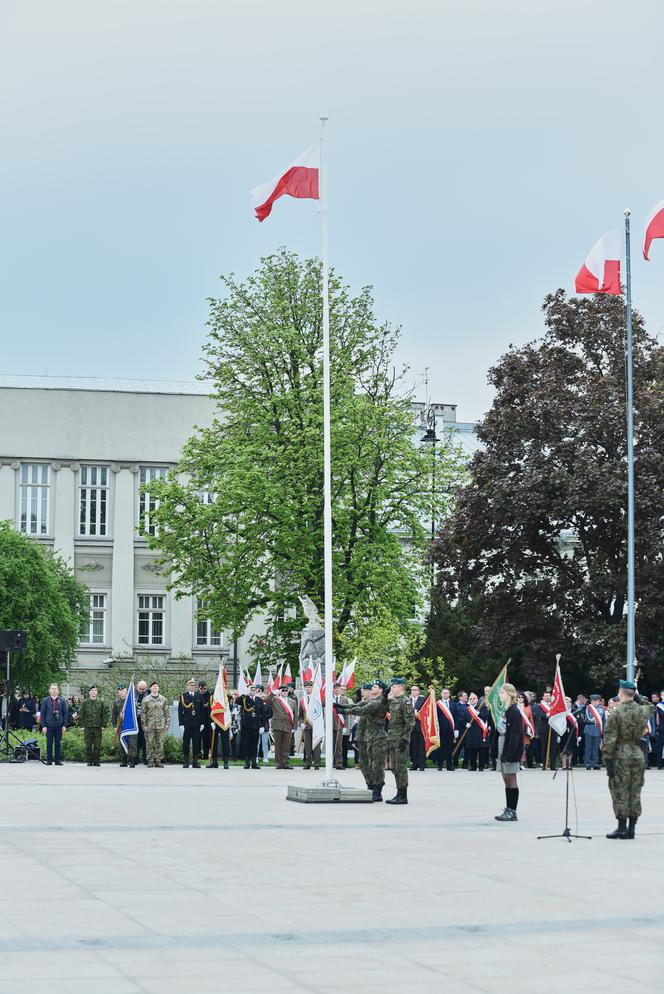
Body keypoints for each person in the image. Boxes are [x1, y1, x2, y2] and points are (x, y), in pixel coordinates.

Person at [603, 681, 655, 839]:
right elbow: (651, 707)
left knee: (620, 790)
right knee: (635, 790)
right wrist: (638, 698)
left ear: (621, 693)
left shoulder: (617, 713)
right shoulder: (642, 710)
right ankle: (632, 828)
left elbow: (610, 738)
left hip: (621, 754)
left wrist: (608, 760)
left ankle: (621, 827)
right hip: (638, 753)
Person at [337, 681, 389, 801]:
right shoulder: (369, 701)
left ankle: (377, 790)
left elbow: (362, 710)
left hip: (377, 738)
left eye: (374, 687)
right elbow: (357, 706)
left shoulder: (379, 702)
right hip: (366, 737)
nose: (370, 689)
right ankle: (370, 786)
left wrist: (343, 711)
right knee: (365, 765)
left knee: (376, 766)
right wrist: (341, 707)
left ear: (380, 690)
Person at [492, 682, 522, 822]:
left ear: (510, 694)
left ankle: (512, 810)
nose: (500, 695)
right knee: (506, 779)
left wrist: (510, 755)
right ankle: (508, 808)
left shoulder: (514, 711)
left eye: (502, 693)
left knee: (511, 779)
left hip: (509, 746)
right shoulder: (507, 709)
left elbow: (516, 735)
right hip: (503, 743)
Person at [385, 678, 415, 804]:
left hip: (400, 739)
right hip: (392, 738)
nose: (392, 688)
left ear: (400, 687)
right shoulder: (394, 700)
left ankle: (403, 795)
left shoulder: (406, 702)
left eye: (394, 686)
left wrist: (405, 739)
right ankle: (398, 793)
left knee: (400, 767)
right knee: (394, 767)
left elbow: (410, 722)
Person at [267, 684, 298, 770]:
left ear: (288, 691)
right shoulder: (275, 700)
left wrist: (294, 727)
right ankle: (278, 763)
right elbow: (266, 700)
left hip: (288, 726)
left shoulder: (293, 701)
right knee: (278, 745)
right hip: (277, 725)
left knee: (286, 746)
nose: (284, 692)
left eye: (286, 691)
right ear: (280, 692)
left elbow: (295, 715)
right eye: (283, 691)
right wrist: (273, 693)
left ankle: (286, 763)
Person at [141, 680, 170, 768]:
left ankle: (158, 760)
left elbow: (167, 712)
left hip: (161, 725)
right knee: (149, 743)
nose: (155, 687)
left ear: (158, 688)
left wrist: (167, 723)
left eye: (156, 686)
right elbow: (143, 713)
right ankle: (150, 760)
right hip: (150, 725)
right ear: (150, 688)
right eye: (153, 686)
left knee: (160, 743)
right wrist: (144, 725)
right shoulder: (146, 700)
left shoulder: (163, 699)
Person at [78, 685, 108, 766]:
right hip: (88, 727)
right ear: (89, 692)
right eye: (92, 690)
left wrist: (104, 725)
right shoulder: (85, 702)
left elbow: (104, 714)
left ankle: (96, 761)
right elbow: (81, 715)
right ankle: (89, 760)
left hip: (98, 727)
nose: (94, 692)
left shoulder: (101, 702)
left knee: (97, 745)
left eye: (95, 690)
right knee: (88, 745)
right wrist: (81, 726)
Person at [40, 683, 69, 766]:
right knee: (49, 743)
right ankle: (49, 760)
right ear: (49, 690)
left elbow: (65, 713)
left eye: (55, 689)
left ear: (58, 690)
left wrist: (64, 725)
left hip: (59, 726)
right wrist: (43, 726)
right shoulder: (45, 700)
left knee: (58, 743)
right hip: (48, 726)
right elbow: (42, 714)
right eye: (52, 689)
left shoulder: (62, 700)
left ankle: (57, 760)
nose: (54, 690)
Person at [237, 684, 264, 769]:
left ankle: (254, 763)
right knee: (246, 744)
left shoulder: (259, 700)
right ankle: (247, 762)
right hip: (246, 725)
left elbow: (262, 714)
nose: (253, 692)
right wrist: (244, 694)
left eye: (254, 690)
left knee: (254, 744)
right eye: (251, 690)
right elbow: (237, 701)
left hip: (256, 725)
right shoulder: (245, 699)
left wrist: (262, 725)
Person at [178, 679, 202, 768]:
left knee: (196, 743)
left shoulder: (199, 696)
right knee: (186, 743)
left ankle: (195, 761)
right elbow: (180, 711)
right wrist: (181, 723)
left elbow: (202, 710)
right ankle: (186, 761)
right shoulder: (183, 696)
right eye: (190, 686)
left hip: (196, 723)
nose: (192, 687)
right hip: (187, 724)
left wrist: (202, 723)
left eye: (193, 686)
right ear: (187, 687)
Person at [111, 685, 137, 768]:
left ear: (126, 691)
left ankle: (132, 761)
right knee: (122, 742)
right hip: (121, 726)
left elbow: (135, 713)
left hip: (130, 725)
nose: (121, 692)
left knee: (132, 743)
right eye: (120, 691)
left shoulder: (132, 701)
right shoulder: (116, 702)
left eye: (123, 690)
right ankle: (124, 760)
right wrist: (114, 726)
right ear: (118, 692)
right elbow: (114, 715)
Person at [299, 679, 322, 770]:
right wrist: (301, 723)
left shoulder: (317, 698)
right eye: (306, 687)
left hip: (316, 725)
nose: (308, 689)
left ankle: (317, 763)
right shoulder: (302, 700)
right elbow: (300, 715)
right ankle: (307, 763)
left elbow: (320, 712)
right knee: (307, 746)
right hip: (307, 725)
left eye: (310, 687)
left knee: (316, 745)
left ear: (313, 688)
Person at [464, 692, 490, 771]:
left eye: (474, 698)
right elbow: (462, 719)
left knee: (481, 750)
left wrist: (478, 713)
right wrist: (466, 724)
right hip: (471, 732)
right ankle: (473, 766)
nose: (472, 700)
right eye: (470, 699)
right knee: (472, 751)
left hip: (480, 731)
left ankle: (481, 766)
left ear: (477, 699)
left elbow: (486, 716)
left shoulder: (482, 707)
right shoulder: (467, 709)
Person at [435, 688, 456, 772]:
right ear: (441, 694)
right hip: (440, 729)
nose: (445, 694)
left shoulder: (453, 704)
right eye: (443, 693)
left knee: (449, 748)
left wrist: (456, 729)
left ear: (449, 694)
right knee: (440, 748)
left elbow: (456, 717)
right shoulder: (437, 704)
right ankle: (440, 765)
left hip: (451, 729)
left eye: (447, 693)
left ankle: (449, 765)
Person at [332, 681, 350, 770]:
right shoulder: (328, 698)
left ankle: (339, 763)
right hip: (330, 725)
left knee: (339, 745)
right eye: (335, 688)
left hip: (340, 725)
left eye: (337, 688)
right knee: (331, 745)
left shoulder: (344, 699)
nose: (336, 690)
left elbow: (346, 714)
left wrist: (345, 726)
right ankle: (331, 762)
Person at [584, 693, 605, 770]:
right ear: (591, 701)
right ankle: (588, 764)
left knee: (596, 748)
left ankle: (595, 763)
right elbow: (587, 718)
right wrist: (594, 721)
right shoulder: (588, 708)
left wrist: (603, 730)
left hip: (598, 730)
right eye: (594, 701)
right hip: (589, 729)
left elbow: (603, 720)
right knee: (588, 748)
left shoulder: (602, 709)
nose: (596, 702)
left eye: (597, 701)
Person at [408, 685, 426, 771]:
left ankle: (422, 765)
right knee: (413, 746)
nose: (413, 691)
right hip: (411, 726)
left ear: (419, 691)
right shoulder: (408, 700)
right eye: (412, 690)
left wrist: (418, 713)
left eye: (415, 690)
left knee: (421, 746)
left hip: (421, 725)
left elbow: (426, 711)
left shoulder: (423, 700)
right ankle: (414, 764)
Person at [197, 680, 212, 760]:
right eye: (201, 689)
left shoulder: (210, 695)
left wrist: (207, 706)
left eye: (204, 689)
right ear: (198, 688)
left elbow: (211, 706)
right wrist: (203, 706)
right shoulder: (196, 695)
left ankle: (206, 755)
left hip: (207, 721)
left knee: (207, 739)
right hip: (199, 721)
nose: (203, 690)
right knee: (198, 739)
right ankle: (198, 754)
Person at [135, 680, 148, 765]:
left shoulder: (149, 695)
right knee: (135, 741)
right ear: (137, 687)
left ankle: (145, 758)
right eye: (140, 688)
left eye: (143, 689)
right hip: (135, 721)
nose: (142, 690)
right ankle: (135, 758)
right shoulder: (132, 694)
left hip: (145, 722)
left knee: (145, 741)